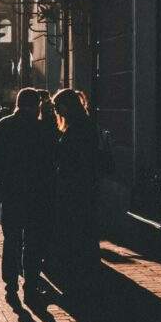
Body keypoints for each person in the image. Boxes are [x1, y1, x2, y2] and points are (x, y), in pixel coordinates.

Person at [0, 88, 59, 301]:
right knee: (33, 241)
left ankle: (10, 286)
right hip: (37, 193)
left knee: (11, 240)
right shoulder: (42, 129)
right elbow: (51, 159)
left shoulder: (1, 126)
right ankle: (30, 286)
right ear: (36, 105)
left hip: (10, 193)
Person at [53, 87, 100, 275]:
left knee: (78, 226)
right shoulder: (84, 124)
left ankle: (81, 267)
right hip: (83, 185)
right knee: (84, 225)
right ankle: (85, 264)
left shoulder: (78, 128)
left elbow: (76, 159)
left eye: (58, 107)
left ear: (67, 106)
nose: (57, 111)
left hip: (76, 186)